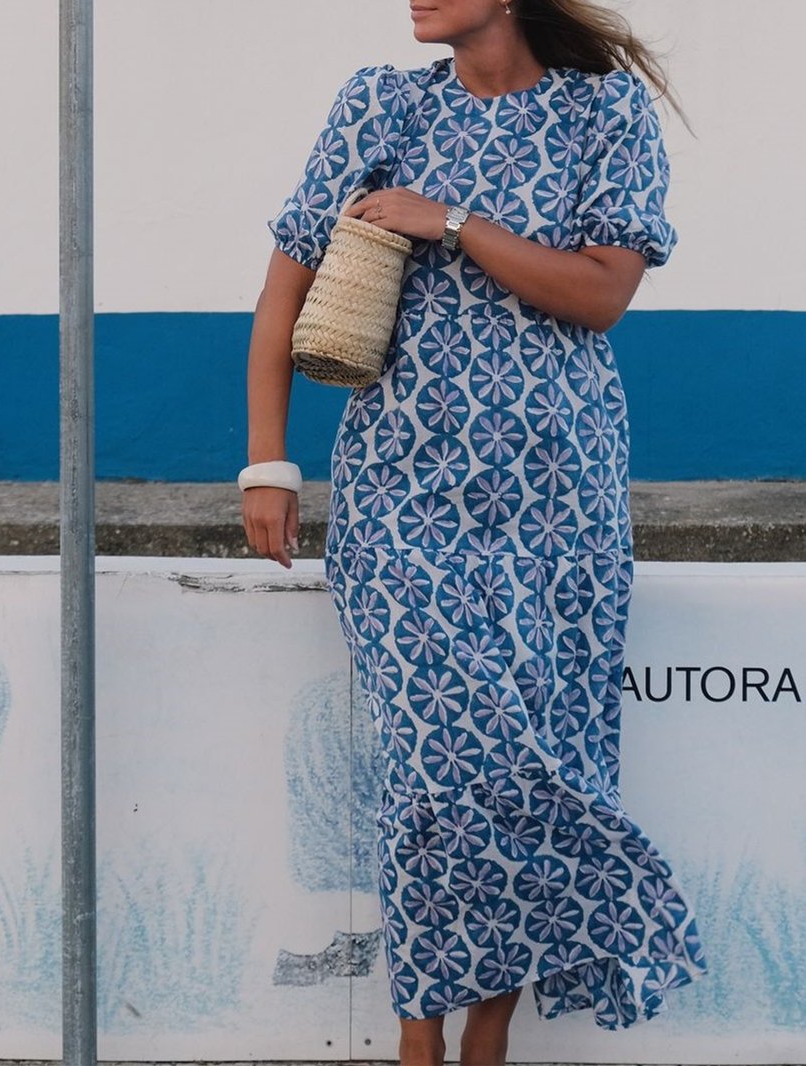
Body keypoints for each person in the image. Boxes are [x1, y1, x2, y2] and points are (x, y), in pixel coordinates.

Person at [241, 1, 708, 1063]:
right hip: (400, 500)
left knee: (533, 771)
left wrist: (447, 221)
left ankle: (482, 1046)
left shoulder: (604, 113)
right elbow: (285, 289)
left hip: (560, 504)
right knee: (432, 774)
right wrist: (268, 462)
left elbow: (598, 295)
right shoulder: (380, 104)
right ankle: (419, 1045)